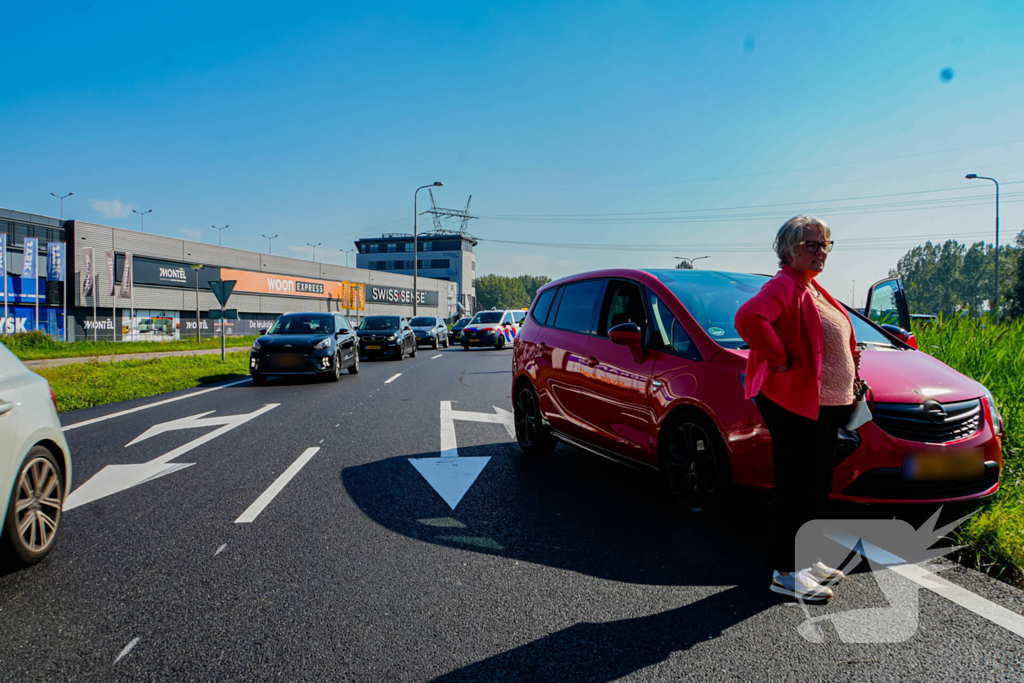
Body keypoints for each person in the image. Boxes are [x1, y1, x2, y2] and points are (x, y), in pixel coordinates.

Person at [734, 215, 860, 602]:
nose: (821, 251)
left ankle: (808, 559)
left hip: (827, 406)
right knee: (796, 487)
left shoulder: (813, 287)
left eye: (825, 244)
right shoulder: (784, 284)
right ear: (788, 250)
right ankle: (786, 572)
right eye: (812, 244)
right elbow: (748, 318)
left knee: (817, 486)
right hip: (796, 404)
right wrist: (778, 358)